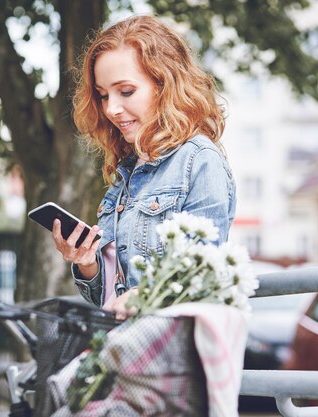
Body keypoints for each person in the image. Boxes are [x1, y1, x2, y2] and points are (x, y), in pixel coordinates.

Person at [51, 15, 236, 320]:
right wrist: (87, 263)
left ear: (165, 85)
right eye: (103, 95)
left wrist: (146, 295)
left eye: (125, 92)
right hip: (125, 347)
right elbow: (109, 298)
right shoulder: (127, 171)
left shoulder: (199, 160)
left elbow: (203, 274)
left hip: (169, 356)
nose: (111, 108)